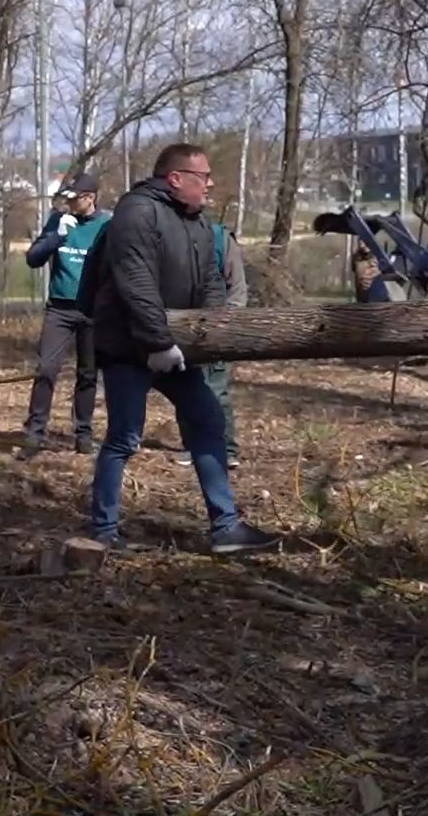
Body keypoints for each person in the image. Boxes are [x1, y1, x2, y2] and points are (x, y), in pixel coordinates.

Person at [76, 144, 277, 554]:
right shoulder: (136, 213)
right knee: (123, 438)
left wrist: (213, 333)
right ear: (176, 178)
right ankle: (104, 531)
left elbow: (211, 283)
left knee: (207, 423)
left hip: (174, 349)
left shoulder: (200, 224)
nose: (211, 184)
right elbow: (136, 283)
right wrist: (157, 342)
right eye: (203, 177)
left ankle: (226, 527)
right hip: (128, 349)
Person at [20, 173, 109, 458]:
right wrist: (57, 237)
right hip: (59, 308)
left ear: (90, 198)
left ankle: (83, 435)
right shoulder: (58, 220)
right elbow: (33, 259)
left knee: (88, 374)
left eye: (74, 198)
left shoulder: (107, 225)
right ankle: (34, 434)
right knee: (46, 369)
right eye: (67, 198)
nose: (69, 203)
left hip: (93, 311)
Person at [188, 218, 245, 470]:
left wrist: (228, 322)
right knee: (188, 387)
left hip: (218, 325)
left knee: (217, 388)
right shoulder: (174, 234)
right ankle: (192, 445)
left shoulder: (221, 238)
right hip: (185, 325)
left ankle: (227, 448)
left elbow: (237, 288)